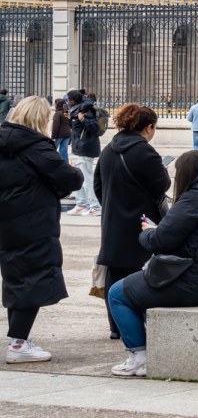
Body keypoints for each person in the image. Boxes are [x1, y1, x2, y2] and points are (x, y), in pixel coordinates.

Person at [107, 150, 198, 377]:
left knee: (117, 293)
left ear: (183, 174)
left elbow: (159, 241)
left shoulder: (195, 198)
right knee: (137, 289)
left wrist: (147, 232)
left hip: (190, 281)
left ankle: (139, 357)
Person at [0, 96, 83, 363]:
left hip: (7, 221)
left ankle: (17, 339)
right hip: (33, 222)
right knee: (33, 279)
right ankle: (18, 344)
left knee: (15, 278)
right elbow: (71, 178)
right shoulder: (36, 147)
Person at [94, 103, 172, 340]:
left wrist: (112, 205)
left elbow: (98, 185)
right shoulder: (145, 152)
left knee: (114, 272)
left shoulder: (108, 149)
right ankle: (135, 324)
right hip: (141, 221)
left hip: (113, 220)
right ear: (148, 127)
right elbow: (162, 185)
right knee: (140, 274)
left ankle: (115, 326)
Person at [66, 89, 102, 216]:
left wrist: (83, 120)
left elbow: (95, 127)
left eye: (69, 99)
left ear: (74, 100)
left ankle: (95, 206)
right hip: (79, 147)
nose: (67, 101)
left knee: (87, 178)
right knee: (78, 177)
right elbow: (75, 129)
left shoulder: (87, 109)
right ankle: (81, 204)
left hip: (86, 148)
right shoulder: (77, 109)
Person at [50, 98, 72, 163]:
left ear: (57, 105)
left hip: (59, 135)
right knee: (64, 151)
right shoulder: (67, 113)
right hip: (67, 134)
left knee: (52, 150)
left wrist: (53, 137)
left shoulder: (58, 114)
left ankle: (51, 163)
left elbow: (55, 126)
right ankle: (65, 165)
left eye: (55, 103)